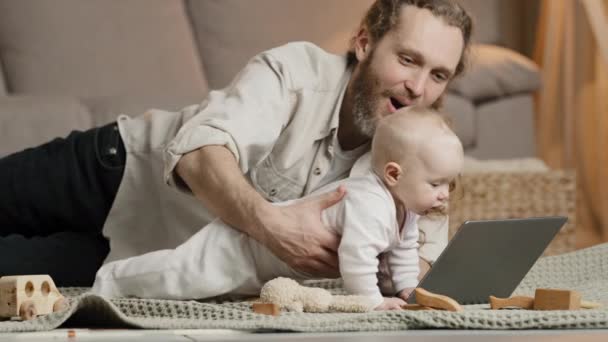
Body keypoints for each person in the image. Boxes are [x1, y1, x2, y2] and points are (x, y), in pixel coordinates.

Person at [0, 0, 472, 286]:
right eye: (408, 60)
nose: (418, 88)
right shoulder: (295, 72)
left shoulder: (420, 151)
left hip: (144, 251)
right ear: (365, 42)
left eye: (438, 75)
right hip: (116, 171)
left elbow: (419, 267)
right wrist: (276, 228)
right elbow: (199, 154)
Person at [92, 108, 464, 311]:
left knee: (205, 290)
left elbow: (402, 251)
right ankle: (112, 280)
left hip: (265, 269)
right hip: (244, 247)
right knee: (179, 276)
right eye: (436, 183)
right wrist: (370, 300)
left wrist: (406, 289)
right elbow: (356, 255)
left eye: (449, 183)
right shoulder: (369, 202)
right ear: (394, 174)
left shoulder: (407, 209)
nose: (445, 194)